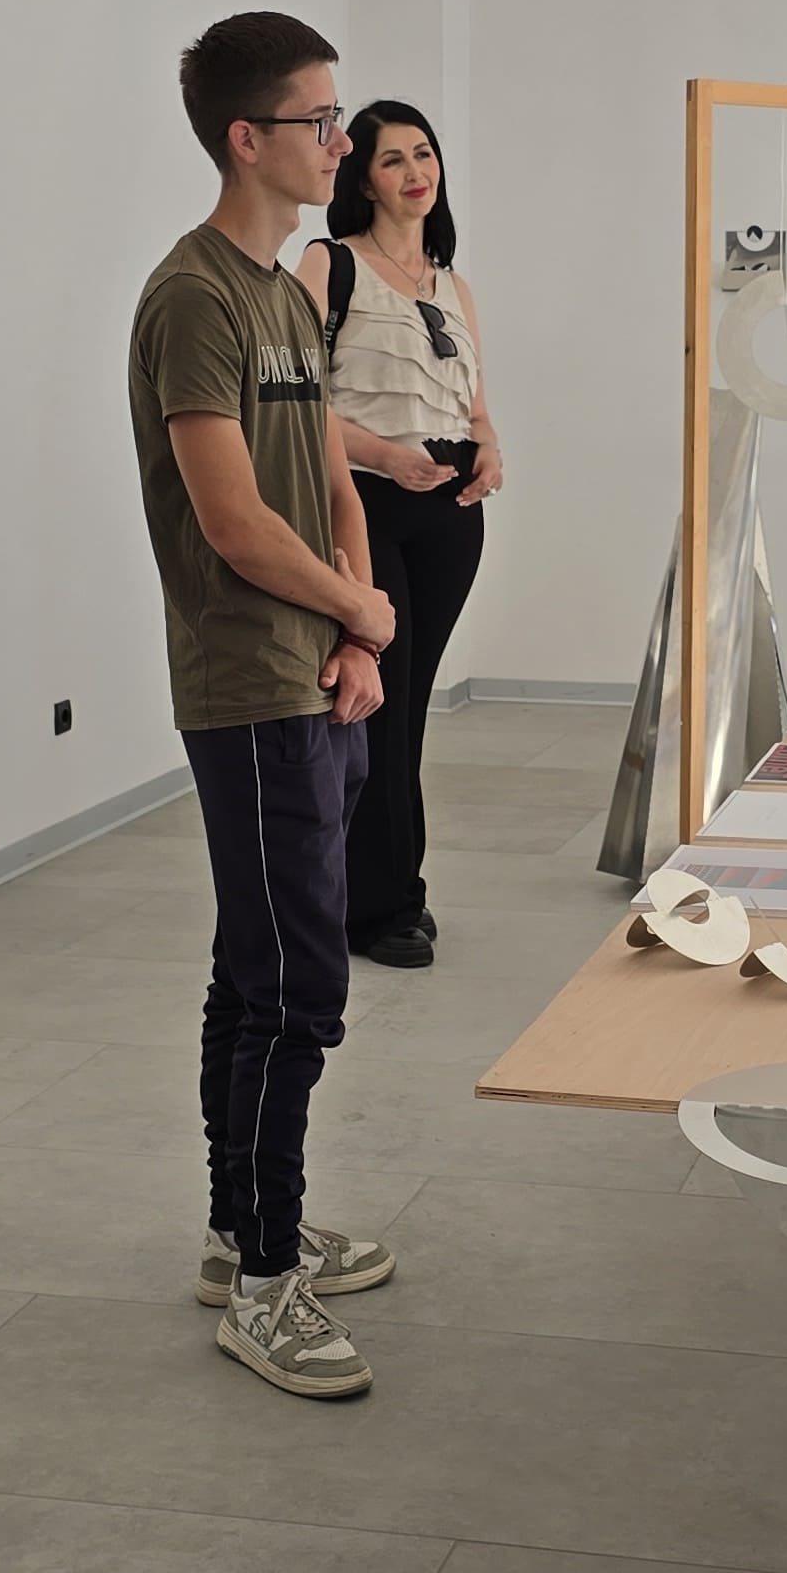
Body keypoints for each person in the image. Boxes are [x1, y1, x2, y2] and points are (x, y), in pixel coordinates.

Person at [133, 14, 400, 1399]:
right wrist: (357, 611)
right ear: (248, 140)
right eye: (320, 122)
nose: (342, 144)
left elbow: (332, 480)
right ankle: (264, 1283)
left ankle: (246, 1235)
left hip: (317, 675)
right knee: (296, 990)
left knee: (261, 970)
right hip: (247, 686)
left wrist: (356, 628)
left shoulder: (288, 294)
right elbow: (232, 520)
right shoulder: (194, 298)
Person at [296, 101, 498, 968]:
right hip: (367, 499)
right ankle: (375, 909)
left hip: (451, 511)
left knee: (406, 707)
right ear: (363, 179)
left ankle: (394, 891)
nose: (416, 172)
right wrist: (384, 455)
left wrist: (489, 450)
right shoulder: (330, 263)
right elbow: (297, 402)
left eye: (424, 154)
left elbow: (474, 404)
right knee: (375, 704)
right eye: (392, 160)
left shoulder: (452, 285)